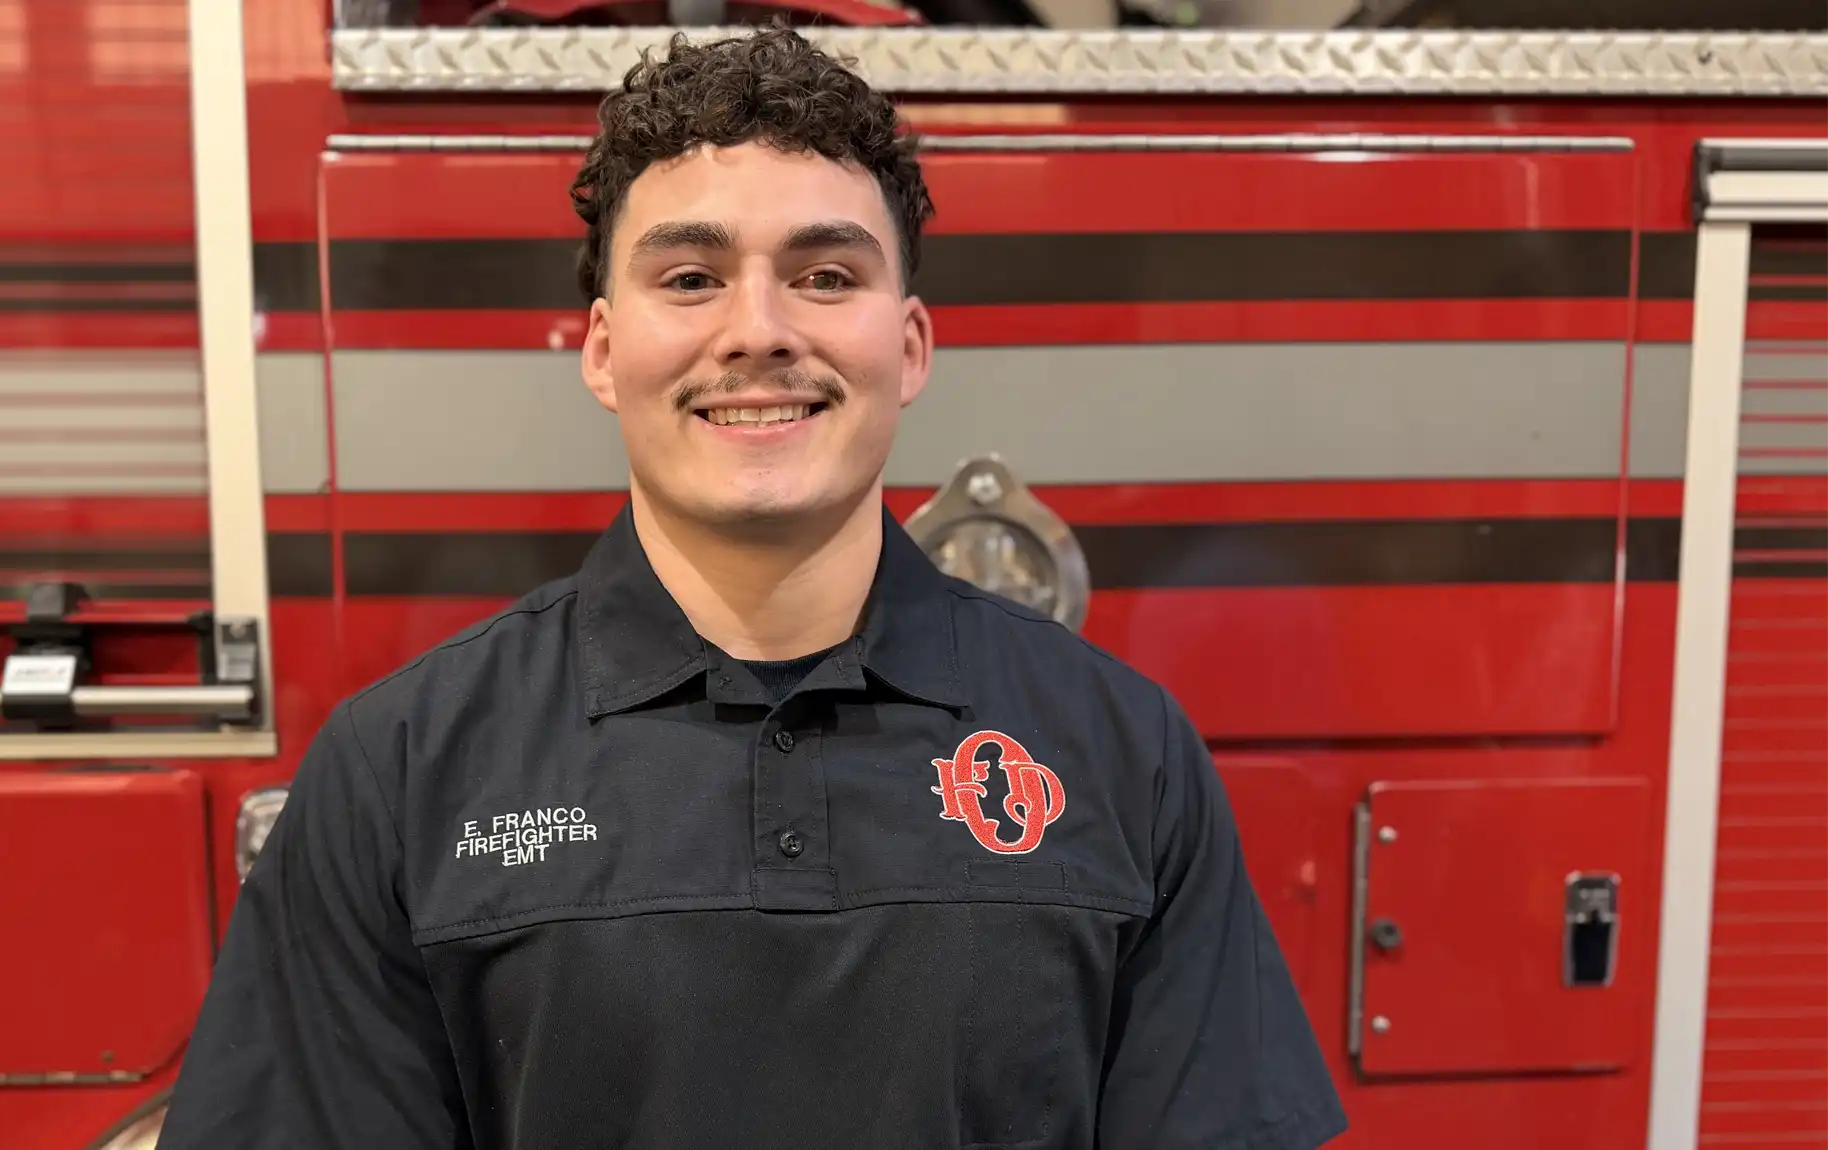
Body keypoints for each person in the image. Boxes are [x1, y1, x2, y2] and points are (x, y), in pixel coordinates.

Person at [158, 26, 1347, 1150]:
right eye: (689, 277)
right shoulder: (400, 772)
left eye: (825, 273)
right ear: (603, 349)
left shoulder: (1119, 755)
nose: (758, 330)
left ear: (912, 345)